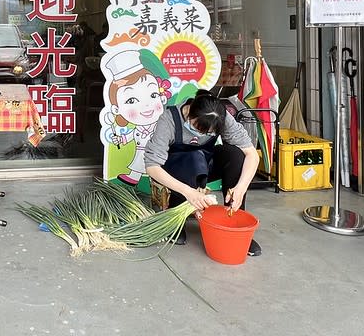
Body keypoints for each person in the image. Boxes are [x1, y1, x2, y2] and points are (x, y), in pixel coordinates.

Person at [144, 89, 262, 256]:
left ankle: (234, 224)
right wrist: (188, 192)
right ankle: (176, 220)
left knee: (236, 155)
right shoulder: (169, 119)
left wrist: (241, 188)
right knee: (191, 157)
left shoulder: (221, 117)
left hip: (206, 163)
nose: (201, 135)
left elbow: (251, 154)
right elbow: (152, 166)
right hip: (177, 168)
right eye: (197, 128)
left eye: (208, 133)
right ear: (190, 111)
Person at [102, 49, 168, 185]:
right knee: (138, 163)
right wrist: (120, 139)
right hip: (140, 151)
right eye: (131, 100)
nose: (146, 105)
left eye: (153, 95)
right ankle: (134, 177)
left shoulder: (162, 125)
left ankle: (157, 179)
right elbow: (129, 136)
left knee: (157, 164)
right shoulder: (137, 129)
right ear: (116, 109)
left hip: (156, 152)